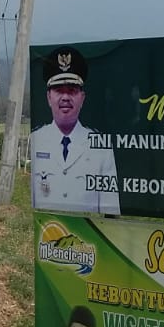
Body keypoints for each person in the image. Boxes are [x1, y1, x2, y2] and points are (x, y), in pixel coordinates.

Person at [29, 46, 120, 214]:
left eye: (71, 91)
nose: (65, 97)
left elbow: (111, 210)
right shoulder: (35, 141)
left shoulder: (101, 147)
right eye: (58, 91)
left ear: (82, 98)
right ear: (49, 97)